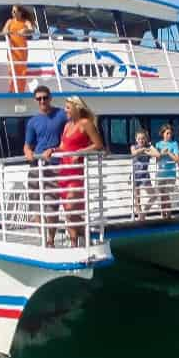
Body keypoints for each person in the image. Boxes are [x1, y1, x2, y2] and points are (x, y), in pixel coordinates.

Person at [56, 96, 104, 246]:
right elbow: (63, 147)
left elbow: (98, 145)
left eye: (68, 107)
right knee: (68, 211)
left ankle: (86, 233)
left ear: (77, 108)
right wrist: (52, 149)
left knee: (71, 207)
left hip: (76, 172)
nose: (65, 110)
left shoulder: (86, 123)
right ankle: (74, 244)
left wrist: (81, 151)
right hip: (63, 171)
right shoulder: (67, 126)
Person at [24, 85, 67, 247]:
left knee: (51, 204)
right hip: (36, 166)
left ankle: (50, 239)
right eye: (39, 98)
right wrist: (28, 152)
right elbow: (27, 145)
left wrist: (55, 149)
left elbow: (74, 131)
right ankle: (43, 238)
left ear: (50, 98)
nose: (42, 101)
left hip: (55, 165)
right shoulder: (33, 121)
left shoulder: (62, 115)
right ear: (35, 100)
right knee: (36, 203)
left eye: (45, 97)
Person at [2, 5, 35, 93]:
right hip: (12, 49)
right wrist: (7, 32)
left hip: (22, 49)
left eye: (14, 11)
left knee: (22, 71)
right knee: (12, 71)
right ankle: (11, 91)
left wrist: (26, 30)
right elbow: (4, 31)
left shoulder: (26, 21)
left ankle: (20, 91)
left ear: (20, 12)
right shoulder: (10, 21)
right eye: (12, 11)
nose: (12, 13)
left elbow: (32, 30)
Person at [153, 124, 179, 218]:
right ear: (163, 134)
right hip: (160, 173)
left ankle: (168, 214)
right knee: (162, 195)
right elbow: (156, 159)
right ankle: (163, 214)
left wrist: (169, 152)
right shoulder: (158, 144)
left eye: (170, 133)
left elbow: (177, 159)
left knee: (166, 194)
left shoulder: (174, 144)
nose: (169, 135)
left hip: (170, 174)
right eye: (167, 133)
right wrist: (161, 153)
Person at [130, 129, 158, 219]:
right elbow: (134, 153)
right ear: (136, 139)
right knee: (137, 198)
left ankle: (143, 213)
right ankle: (140, 217)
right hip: (135, 175)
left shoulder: (149, 147)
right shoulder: (133, 146)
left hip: (145, 175)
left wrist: (147, 151)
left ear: (145, 139)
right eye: (139, 139)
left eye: (143, 138)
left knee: (153, 196)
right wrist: (142, 149)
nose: (141, 140)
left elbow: (158, 154)